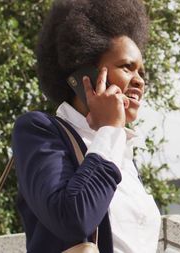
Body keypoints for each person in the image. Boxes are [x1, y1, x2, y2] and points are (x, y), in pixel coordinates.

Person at [11, 0, 161, 252]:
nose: (138, 81)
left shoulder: (123, 155)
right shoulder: (39, 131)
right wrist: (111, 130)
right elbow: (73, 219)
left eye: (142, 73)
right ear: (86, 76)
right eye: (127, 67)